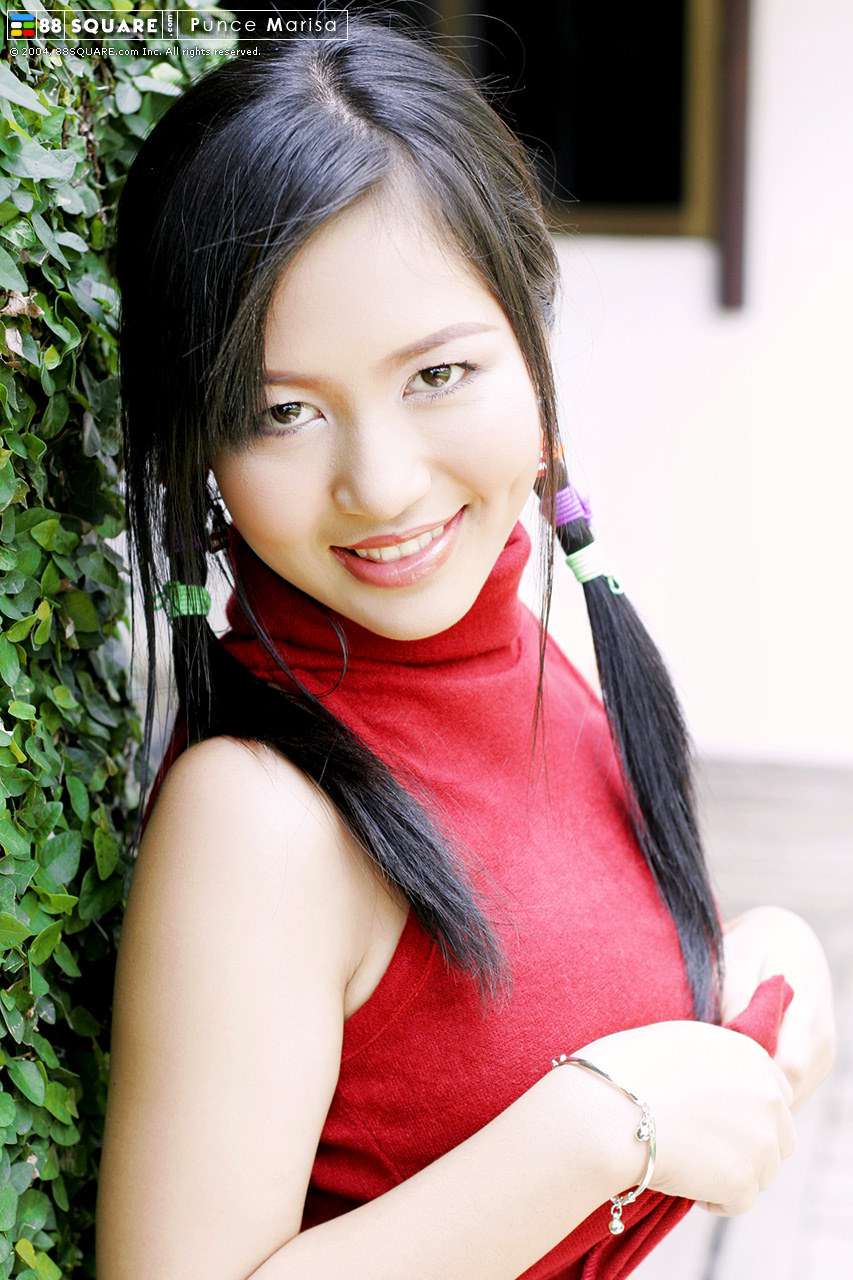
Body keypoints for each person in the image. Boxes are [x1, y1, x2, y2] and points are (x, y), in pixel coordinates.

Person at [94, 11, 835, 1280]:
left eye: (436, 375)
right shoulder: (257, 813)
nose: (380, 484)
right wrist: (597, 1129)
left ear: (534, 358)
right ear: (202, 447)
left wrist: (760, 958)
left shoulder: (530, 661)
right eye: (281, 411)